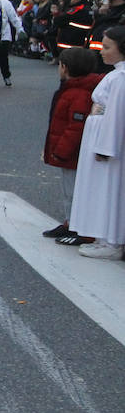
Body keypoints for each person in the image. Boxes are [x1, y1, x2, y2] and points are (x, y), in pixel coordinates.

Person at [69, 26, 125, 260]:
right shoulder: (115, 75)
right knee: (101, 188)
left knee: (108, 189)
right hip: (99, 132)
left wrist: (106, 146)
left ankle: (112, 240)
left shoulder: (120, 78)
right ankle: (103, 236)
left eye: (107, 47)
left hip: (106, 137)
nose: (102, 51)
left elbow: (116, 115)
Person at [40, 47, 103, 246]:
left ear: (65, 68)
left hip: (72, 154)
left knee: (75, 191)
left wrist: (60, 152)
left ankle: (82, 229)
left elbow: (75, 128)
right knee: (69, 190)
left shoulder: (77, 93)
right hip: (69, 153)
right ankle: (71, 222)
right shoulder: (73, 89)